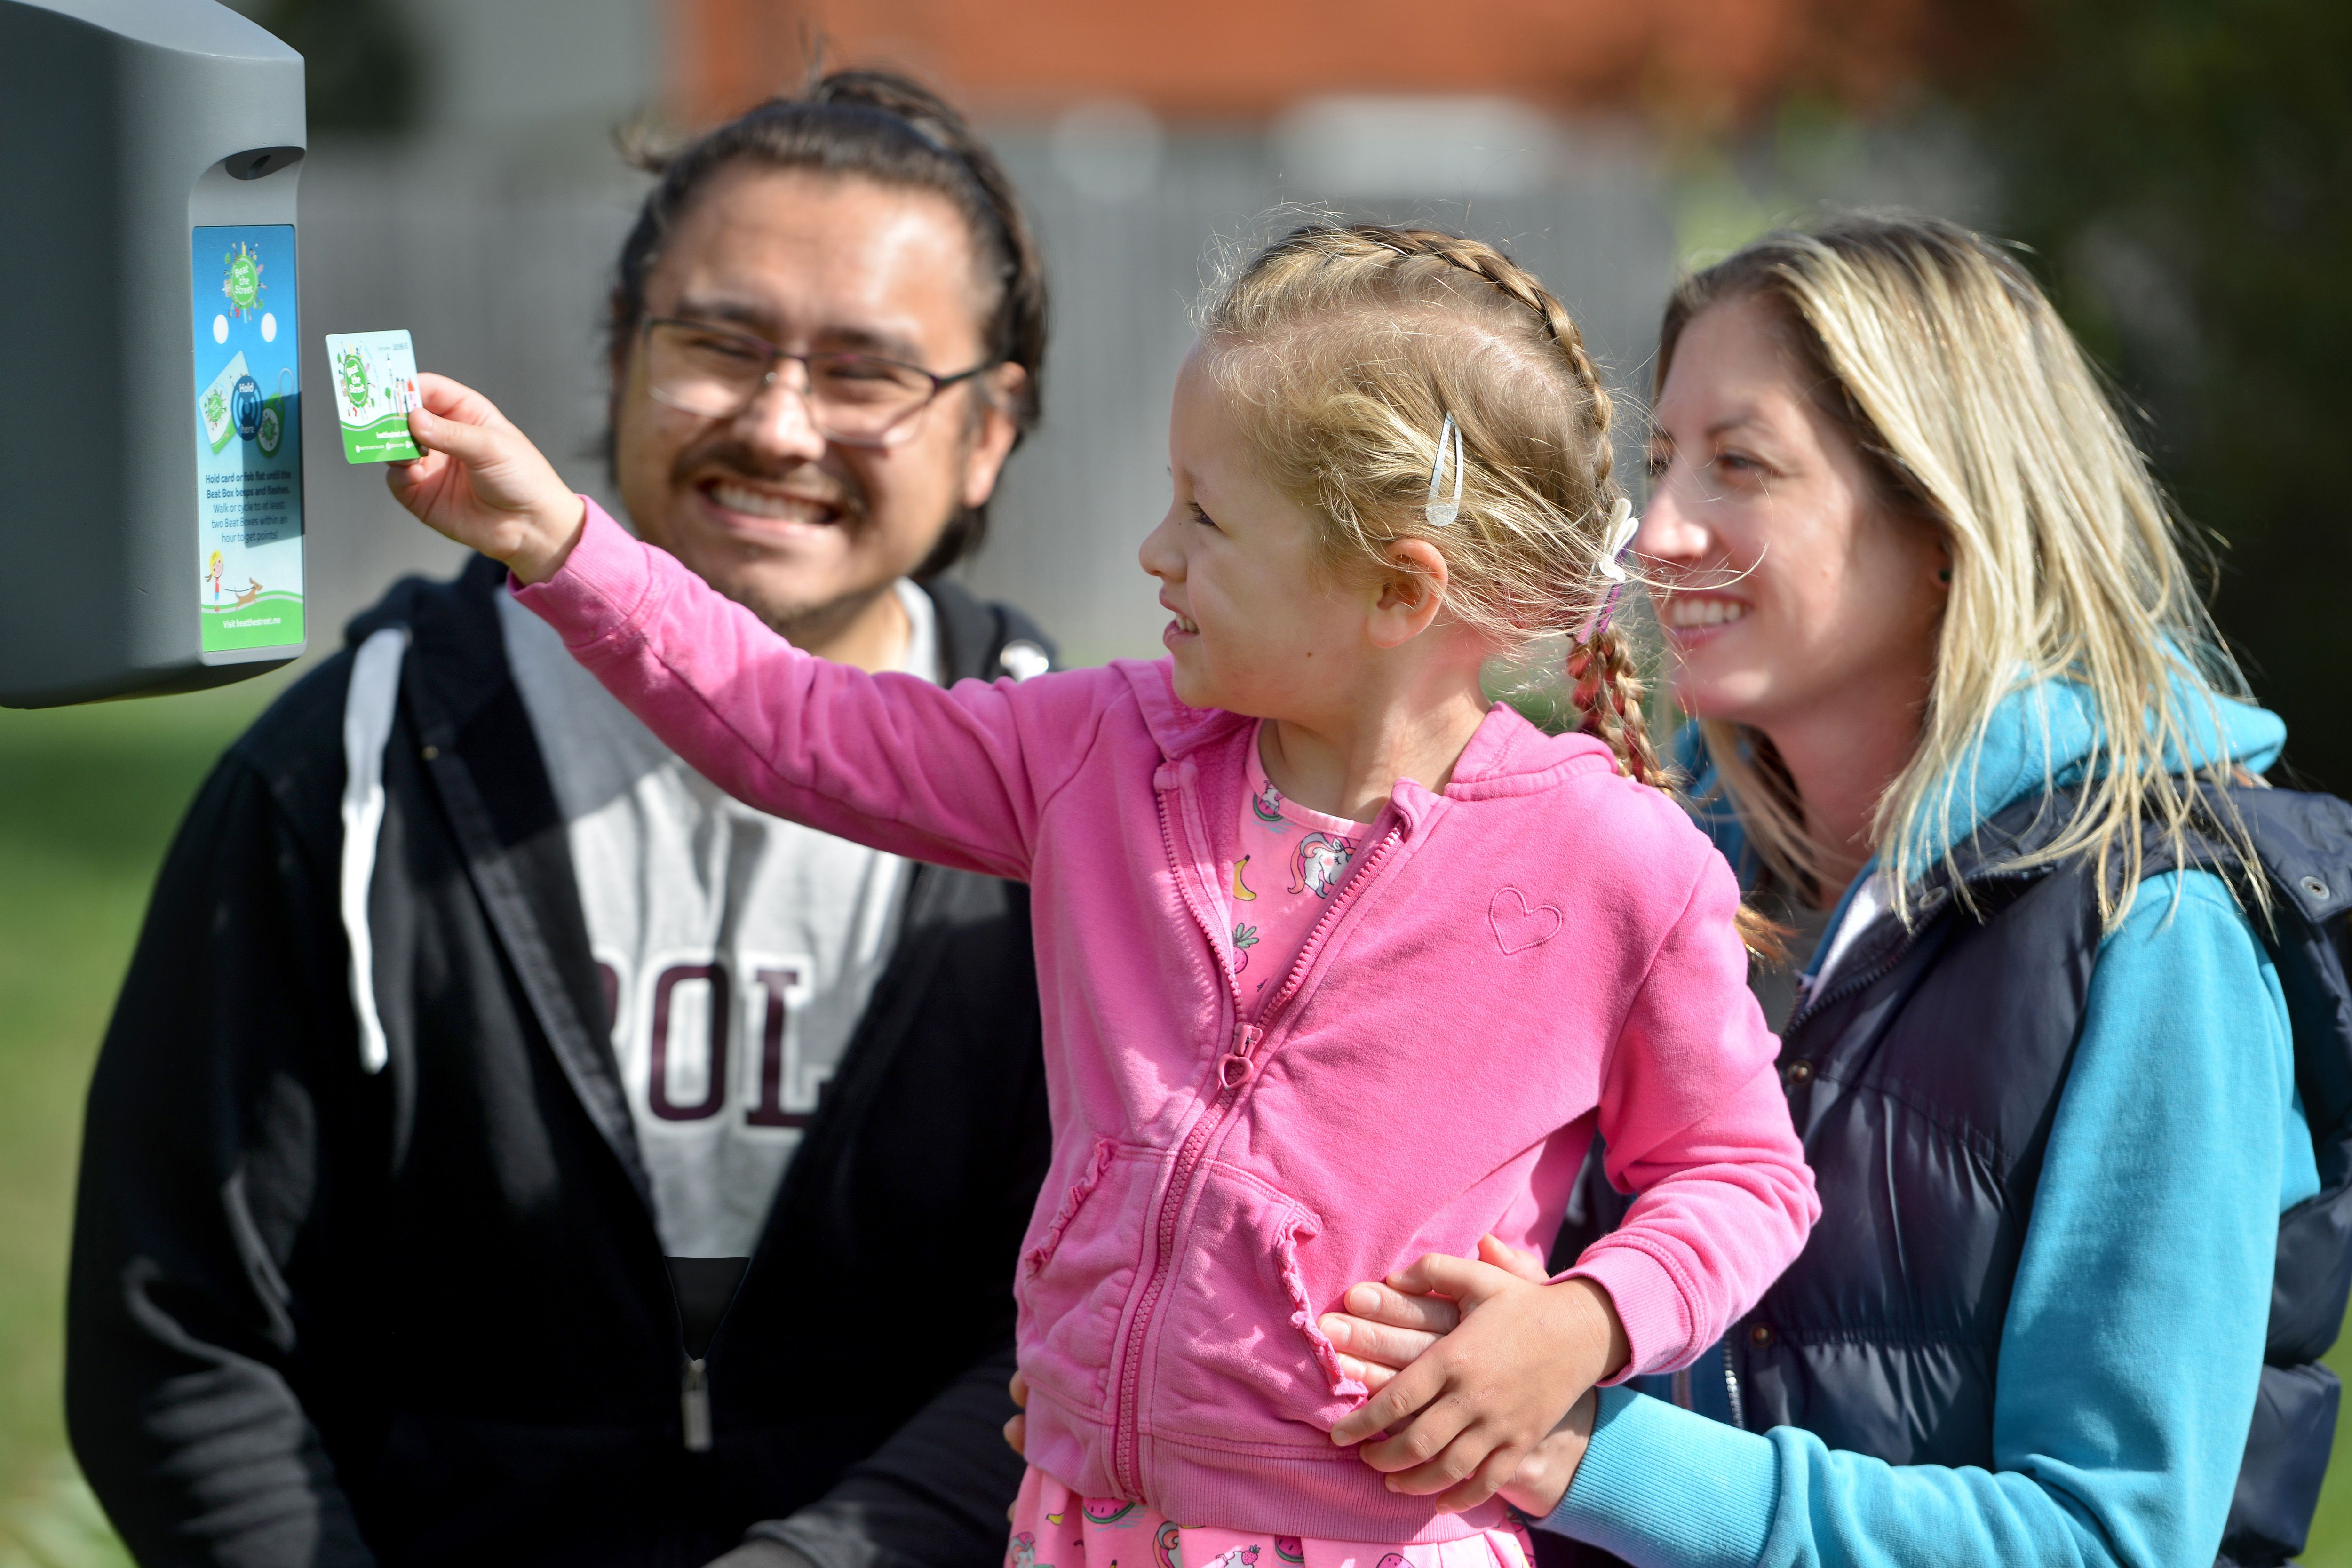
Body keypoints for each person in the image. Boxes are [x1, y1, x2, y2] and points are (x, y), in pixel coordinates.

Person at [382, 216, 1823, 1568]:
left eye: (1206, 516)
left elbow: (1746, 1178)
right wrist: (561, 543)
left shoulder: (1616, 865)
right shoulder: (1096, 752)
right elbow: (793, 727)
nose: (1154, 551)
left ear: (1398, 591)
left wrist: (1585, 1323)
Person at [68, 72, 1060, 1568]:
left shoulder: (1100, 820)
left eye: (868, 373)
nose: (780, 425)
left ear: (990, 429)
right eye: (718, 344)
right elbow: (181, 1333)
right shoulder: (347, 773)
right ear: (618, 352)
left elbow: (1129, 1314)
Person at [1316, 213, 2352, 1568]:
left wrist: (1582, 1454)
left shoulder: (2160, 927)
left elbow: (2113, 1538)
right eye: (1660, 463)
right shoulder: (1652, 876)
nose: (1656, 534)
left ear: (1939, 516)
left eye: (1739, 466)